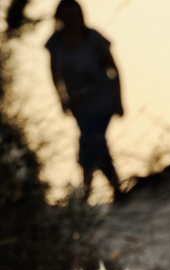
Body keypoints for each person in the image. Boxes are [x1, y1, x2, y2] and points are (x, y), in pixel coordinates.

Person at [45, 0, 124, 201]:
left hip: (102, 100)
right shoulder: (55, 42)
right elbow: (54, 72)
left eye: (74, 16)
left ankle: (86, 190)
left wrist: (119, 100)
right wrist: (62, 98)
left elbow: (114, 70)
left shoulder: (94, 38)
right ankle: (117, 188)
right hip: (79, 104)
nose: (70, 21)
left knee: (88, 139)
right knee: (97, 143)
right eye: (66, 16)